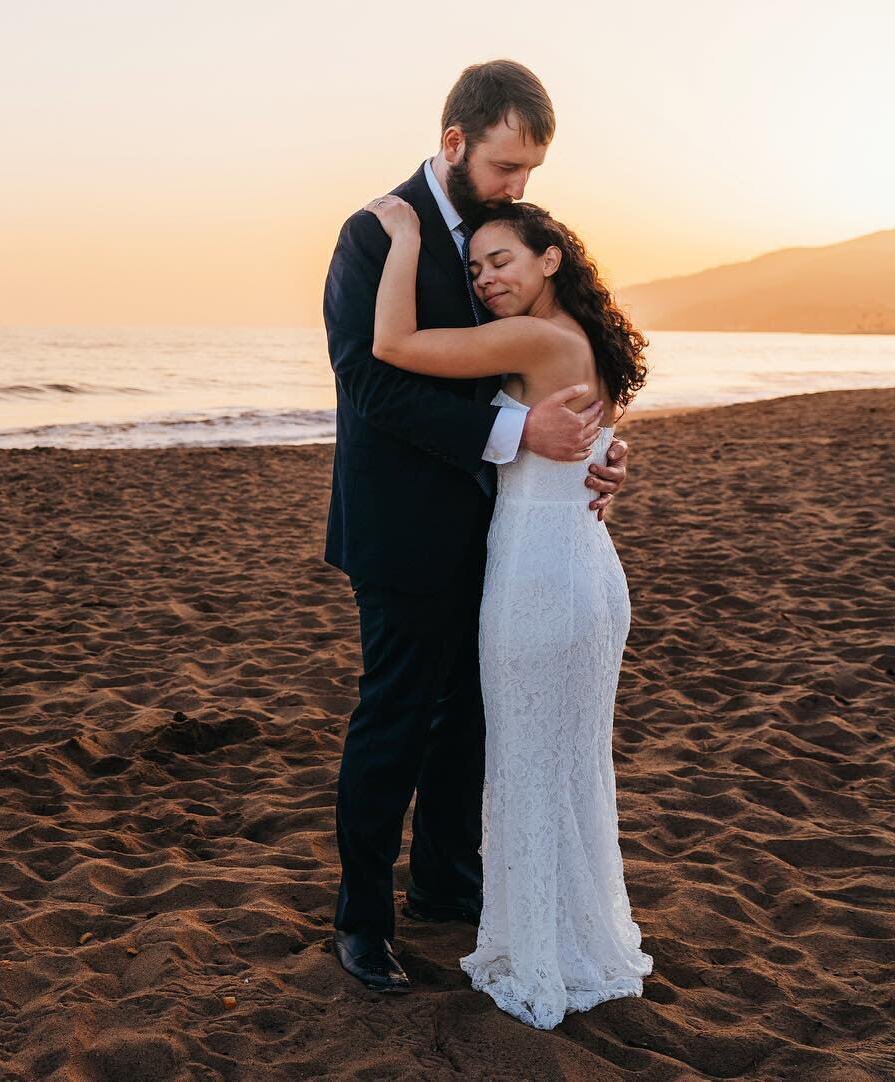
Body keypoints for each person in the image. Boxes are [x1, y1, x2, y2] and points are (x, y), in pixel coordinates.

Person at [322, 59, 630, 995]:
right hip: (406, 527)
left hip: (507, 535)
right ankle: (362, 918)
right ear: (455, 142)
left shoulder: (509, 243)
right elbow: (372, 380)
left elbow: (562, 371)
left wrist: (593, 451)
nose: (519, 189)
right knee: (399, 718)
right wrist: (517, 432)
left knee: (476, 723)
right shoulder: (374, 232)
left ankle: (446, 885)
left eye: (530, 172)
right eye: (506, 168)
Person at [361, 192, 655, 1027]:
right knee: (566, 768)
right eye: (477, 266)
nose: (487, 280)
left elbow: (391, 346)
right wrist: (614, 460)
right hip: (587, 570)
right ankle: (573, 942)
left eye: (503, 262)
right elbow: (598, 451)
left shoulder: (536, 337)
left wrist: (409, 233)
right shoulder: (589, 340)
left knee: (533, 764)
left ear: (549, 258)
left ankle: (544, 956)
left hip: (542, 576)